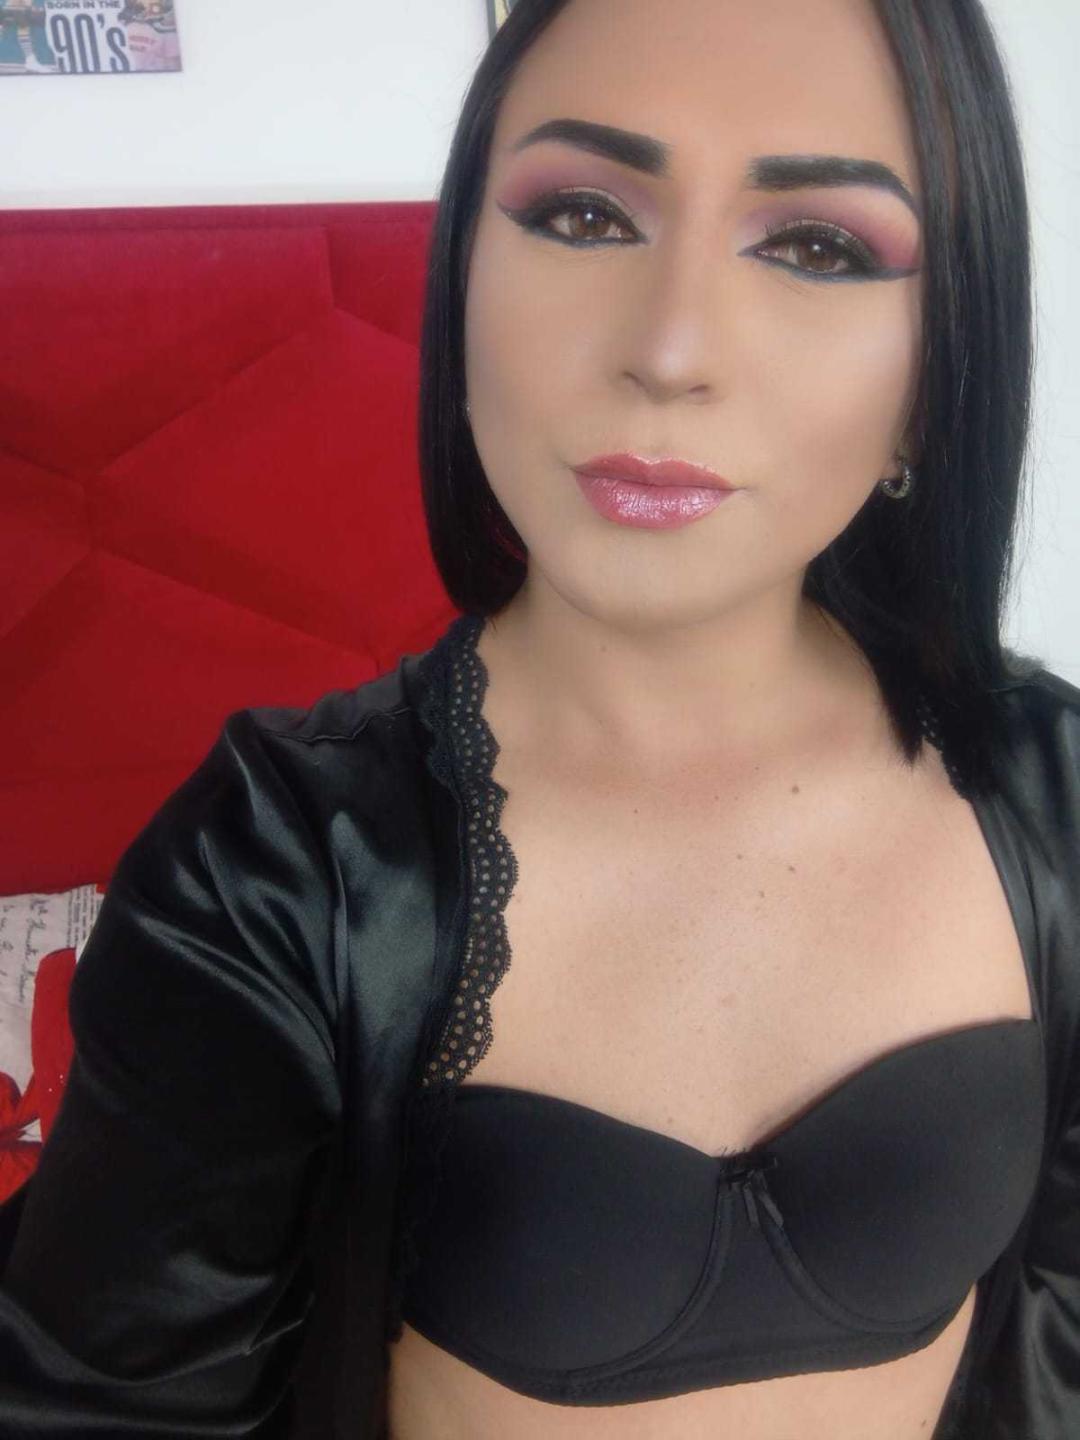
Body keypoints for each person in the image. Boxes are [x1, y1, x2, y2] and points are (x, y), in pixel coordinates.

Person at [0, 1, 1077, 1437]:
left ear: (937, 377)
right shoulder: (275, 877)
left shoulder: (1054, 789)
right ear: (463, 282)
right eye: (582, 215)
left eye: (818, 247)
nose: (672, 349)